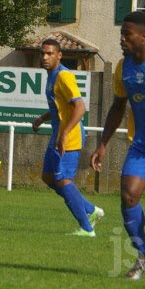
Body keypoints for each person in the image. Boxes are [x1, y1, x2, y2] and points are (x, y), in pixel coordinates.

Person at [90, 11, 145, 281]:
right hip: (142, 146)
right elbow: (117, 107)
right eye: (121, 34)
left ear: (144, 36)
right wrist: (103, 144)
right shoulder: (123, 68)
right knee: (128, 195)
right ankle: (144, 255)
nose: (122, 38)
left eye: (127, 34)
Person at [31, 38, 103, 236]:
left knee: (63, 180)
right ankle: (90, 209)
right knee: (48, 176)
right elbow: (60, 106)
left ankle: (87, 228)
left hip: (69, 137)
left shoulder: (64, 76)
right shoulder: (51, 75)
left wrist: (63, 133)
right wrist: (43, 118)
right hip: (58, 134)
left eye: (50, 53)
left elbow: (80, 108)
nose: (45, 57)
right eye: (42, 53)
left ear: (59, 55)